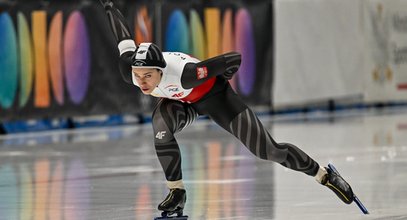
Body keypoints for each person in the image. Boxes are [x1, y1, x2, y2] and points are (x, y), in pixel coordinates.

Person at [100, 0, 354, 217]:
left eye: (147, 76)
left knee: (267, 150)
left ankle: (325, 175)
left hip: (214, 96)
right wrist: (109, 5)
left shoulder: (186, 75)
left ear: (160, 71)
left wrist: (225, 82)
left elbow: (233, 59)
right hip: (179, 101)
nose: (141, 82)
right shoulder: (130, 69)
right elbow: (123, 36)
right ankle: (176, 192)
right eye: (138, 75)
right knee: (161, 128)